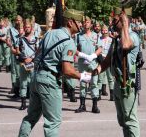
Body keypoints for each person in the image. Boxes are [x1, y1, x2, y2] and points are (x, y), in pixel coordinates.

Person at [18, 9, 91, 137]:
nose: (81, 24)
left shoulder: (49, 34)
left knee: (31, 117)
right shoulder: (69, 42)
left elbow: (37, 55)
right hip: (50, 81)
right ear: (70, 22)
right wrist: (82, 76)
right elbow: (67, 70)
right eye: (79, 22)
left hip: (36, 77)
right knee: (53, 122)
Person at [93, 7, 140, 137]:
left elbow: (126, 45)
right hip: (118, 83)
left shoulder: (132, 36)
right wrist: (95, 71)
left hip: (127, 84)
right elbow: (107, 61)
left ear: (124, 19)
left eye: (115, 20)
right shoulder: (117, 38)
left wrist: (125, 25)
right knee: (123, 121)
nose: (112, 23)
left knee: (130, 120)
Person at [75, 16, 102, 114]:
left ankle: (94, 106)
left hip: (93, 63)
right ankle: (82, 105)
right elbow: (74, 49)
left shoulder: (96, 36)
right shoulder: (78, 36)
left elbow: (100, 48)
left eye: (87, 22)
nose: (85, 23)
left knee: (94, 83)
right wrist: (83, 55)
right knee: (83, 84)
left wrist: (93, 55)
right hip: (82, 63)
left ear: (91, 24)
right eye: (83, 22)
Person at [15, 19, 38, 110]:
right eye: (25, 27)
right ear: (23, 28)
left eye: (28, 27)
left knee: (33, 83)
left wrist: (31, 58)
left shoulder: (36, 39)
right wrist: (24, 58)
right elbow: (17, 50)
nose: (27, 29)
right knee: (23, 83)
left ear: (31, 28)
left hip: (33, 63)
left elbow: (39, 51)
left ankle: (33, 103)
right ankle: (23, 103)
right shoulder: (20, 39)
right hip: (23, 63)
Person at [97, 25, 114, 101]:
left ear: (108, 31)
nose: (104, 32)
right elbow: (97, 49)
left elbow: (113, 50)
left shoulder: (111, 39)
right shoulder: (99, 39)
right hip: (101, 60)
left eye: (105, 30)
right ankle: (99, 94)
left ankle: (112, 95)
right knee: (100, 78)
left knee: (110, 78)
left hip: (109, 60)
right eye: (103, 30)